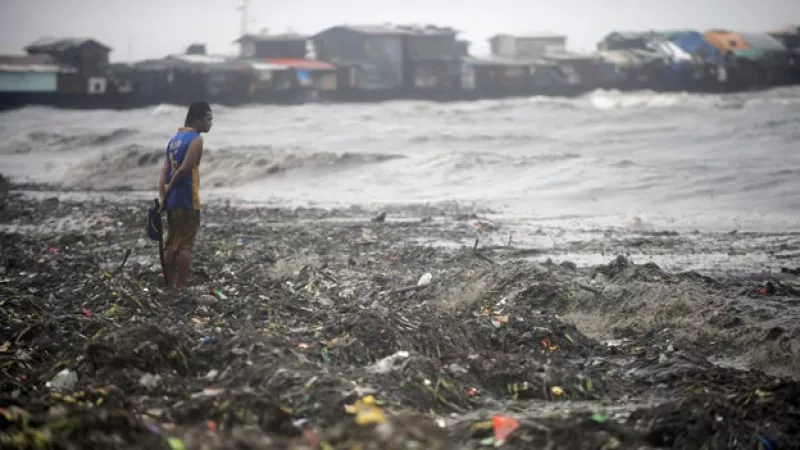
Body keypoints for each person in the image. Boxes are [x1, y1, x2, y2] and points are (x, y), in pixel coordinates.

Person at [158, 101, 213, 293]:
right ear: (197, 119)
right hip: (187, 197)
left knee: (172, 241)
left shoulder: (174, 140)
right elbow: (184, 169)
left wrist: (163, 196)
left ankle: (169, 285)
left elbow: (164, 171)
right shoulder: (196, 139)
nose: (211, 123)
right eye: (208, 119)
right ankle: (180, 286)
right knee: (185, 244)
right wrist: (170, 190)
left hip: (173, 199)